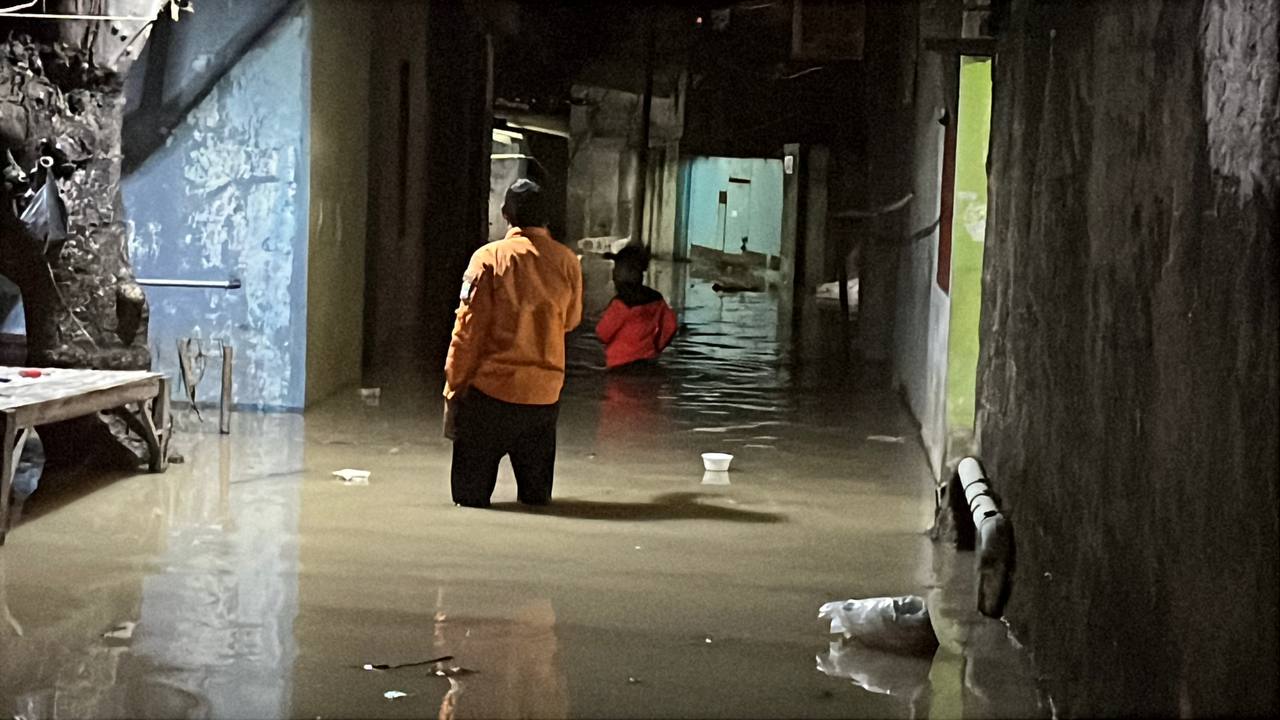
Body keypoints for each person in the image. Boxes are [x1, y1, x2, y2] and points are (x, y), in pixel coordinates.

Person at [443, 179, 583, 508]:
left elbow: (467, 333)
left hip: (488, 400)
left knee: (468, 502)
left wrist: (452, 391)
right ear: (547, 217)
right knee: (537, 503)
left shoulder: (488, 259)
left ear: (506, 214)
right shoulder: (567, 262)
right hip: (543, 401)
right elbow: (571, 321)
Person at [595, 244, 677, 369]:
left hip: (619, 365)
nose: (614, 274)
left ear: (631, 272)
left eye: (618, 268)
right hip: (648, 361)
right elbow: (671, 326)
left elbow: (602, 333)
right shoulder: (656, 298)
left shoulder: (621, 303)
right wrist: (657, 347)